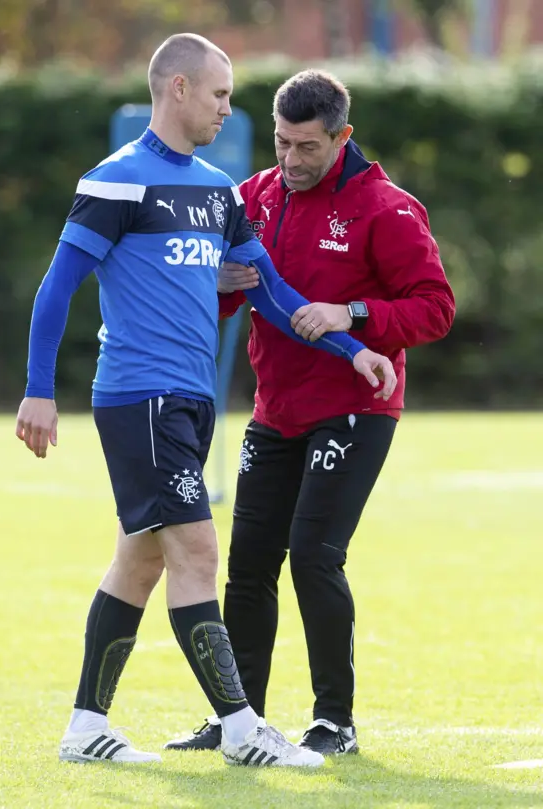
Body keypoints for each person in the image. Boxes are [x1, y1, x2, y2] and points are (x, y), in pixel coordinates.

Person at [15, 38, 398, 768]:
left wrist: (357, 348)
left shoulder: (220, 191)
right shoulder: (117, 182)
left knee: (140, 562)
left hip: (190, 402)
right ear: (180, 89)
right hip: (140, 396)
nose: (230, 108)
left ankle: (86, 724)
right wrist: (38, 388)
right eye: (221, 94)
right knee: (196, 550)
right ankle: (241, 724)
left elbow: (276, 295)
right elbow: (56, 289)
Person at [164, 69, 455, 756]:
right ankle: (240, 717)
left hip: (358, 404)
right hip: (277, 409)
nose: (290, 161)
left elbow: (435, 308)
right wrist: (219, 284)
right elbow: (227, 298)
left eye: (307, 148)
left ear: (342, 137)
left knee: (315, 558)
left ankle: (335, 721)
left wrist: (351, 312)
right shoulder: (255, 196)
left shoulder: (386, 208)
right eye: (281, 143)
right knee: (248, 564)